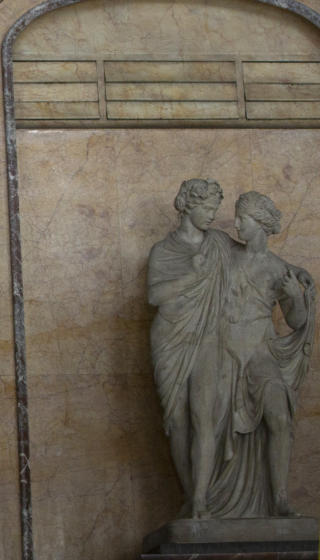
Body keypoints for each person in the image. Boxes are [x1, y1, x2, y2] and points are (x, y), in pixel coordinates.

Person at [205, 191, 316, 517]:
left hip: (260, 353)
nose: (236, 223)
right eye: (237, 216)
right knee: (211, 423)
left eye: (243, 218)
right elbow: (199, 238)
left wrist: (295, 296)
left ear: (262, 224)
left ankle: (280, 498)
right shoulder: (226, 251)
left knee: (279, 418)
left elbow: (296, 321)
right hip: (225, 352)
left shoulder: (278, 269)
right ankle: (209, 497)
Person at [147, 178, 234, 518]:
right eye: (207, 208)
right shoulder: (163, 250)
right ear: (186, 205)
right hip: (170, 338)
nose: (213, 215)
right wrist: (192, 276)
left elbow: (256, 256)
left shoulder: (220, 244)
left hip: (208, 336)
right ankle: (188, 495)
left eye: (215, 208)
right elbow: (154, 296)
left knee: (204, 417)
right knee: (177, 420)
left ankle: (201, 498)